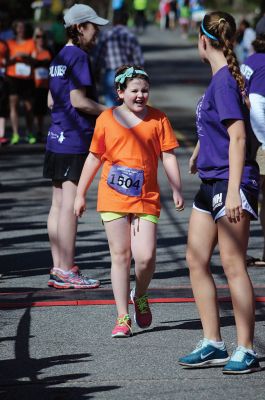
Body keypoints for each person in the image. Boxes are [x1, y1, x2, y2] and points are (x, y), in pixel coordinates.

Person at [178, 11, 261, 374]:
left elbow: (239, 136)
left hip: (231, 182)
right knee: (195, 260)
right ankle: (213, 343)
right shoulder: (219, 79)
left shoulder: (225, 80)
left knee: (232, 264)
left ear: (202, 41)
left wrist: (232, 194)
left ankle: (247, 348)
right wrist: (199, 150)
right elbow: (219, 127)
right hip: (211, 178)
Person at [74, 64, 184, 337]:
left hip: (146, 197)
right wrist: (79, 193)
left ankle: (141, 294)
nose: (140, 95)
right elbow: (94, 157)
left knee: (145, 257)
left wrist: (177, 187)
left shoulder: (158, 120)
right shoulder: (107, 119)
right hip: (113, 197)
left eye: (145, 90)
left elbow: (168, 155)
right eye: (134, 90)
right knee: (120, 256)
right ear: (120, 92)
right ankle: (123, 316)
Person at [43, 4, 109, 289]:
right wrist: (110, 111)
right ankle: (67, 269)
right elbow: (79, 101)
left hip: (55, 137)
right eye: (94, 27)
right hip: (75, 138)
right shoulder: (80, 57)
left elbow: (50, 100)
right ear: (80, 28)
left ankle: (58, 267)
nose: (97, 33)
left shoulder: (58, 56)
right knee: (70, 206)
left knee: (58, 204)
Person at [241, 15, 265, 266]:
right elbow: (257, 104)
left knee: (253, 196)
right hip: (260, 141)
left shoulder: (251, 60)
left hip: (249, 138)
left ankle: (239, 248)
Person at [93, 11, 144, 107]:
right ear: (126, 20)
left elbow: (98, 56)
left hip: (110, 74)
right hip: (128, 75)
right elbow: (139, 60)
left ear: (114, 21)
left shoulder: (106, 35)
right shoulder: (130, 36)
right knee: (127, 107)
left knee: (111, 107)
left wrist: (96, 72)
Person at [6, 20, 36, 145]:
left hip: (27, 78)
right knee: (14, 106)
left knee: (28, 107)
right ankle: (15, 134)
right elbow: (5, 61)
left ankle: (30, 133)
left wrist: (26, 56)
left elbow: (35, 60)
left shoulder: (31, 42)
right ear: (15, 29)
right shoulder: (9, 43)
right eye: (18, 27)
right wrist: (13, 57)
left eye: (23, 27)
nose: (21, 30)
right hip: (13, 77)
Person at [32, 27, 52, 143]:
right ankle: (33, 131)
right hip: (33, 83)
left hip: (46, 84)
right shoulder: (32, 49)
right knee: (33, 110)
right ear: (35, 37)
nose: (41, 39)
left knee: (43, 110)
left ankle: (40, 131)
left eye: (43, 36)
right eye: (38, 36)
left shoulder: (49, 50)